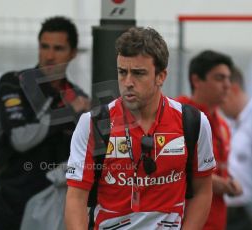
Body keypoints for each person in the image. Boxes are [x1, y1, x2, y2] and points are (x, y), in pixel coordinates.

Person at [65, 27, 216, 229]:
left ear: (161, 76)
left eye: (138, 73)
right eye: (122, 72)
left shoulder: (193, 122)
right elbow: (76, 198)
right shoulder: (93, 123)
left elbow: (203, 192)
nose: (127, 82)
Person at [0, 16, 91, 230]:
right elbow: (21, 139)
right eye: (44, 47)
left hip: (46, 213)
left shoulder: (77, 98)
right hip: (2, 208)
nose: (49, 56)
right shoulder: (14, 83)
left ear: (73, 53)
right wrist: (68, 112)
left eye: (58, 48)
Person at [177, 50, 243, 230]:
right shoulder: (178, 116)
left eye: (229, 79)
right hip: (185, 220)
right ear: (196, 80)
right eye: (219, 78)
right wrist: (218, 183)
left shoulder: (223, 124)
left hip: (216, 219)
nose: (227, 85)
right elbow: (172, 169)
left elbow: (218, 169)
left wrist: (229, 182)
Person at [220, 66, 252, 230]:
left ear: (233, 90)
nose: (220, 104)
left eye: (223, 97)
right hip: (227, 212)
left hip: (245, 213)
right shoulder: (228, 124)